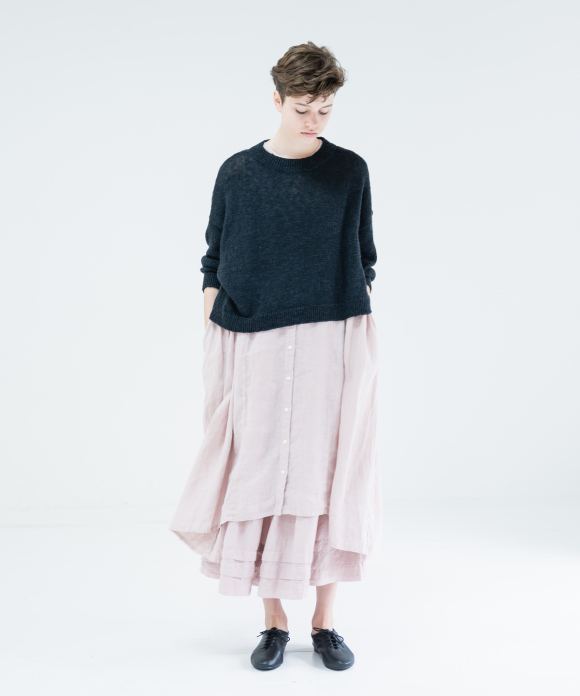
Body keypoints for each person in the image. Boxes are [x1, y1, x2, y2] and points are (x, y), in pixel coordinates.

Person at [169, 41, 382, 672]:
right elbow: (214, 253)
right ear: (277, 100)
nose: (313, 120)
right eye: (302, 108)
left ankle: (325, 623)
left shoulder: (350, 170)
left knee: (328, 468)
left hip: (331, 332)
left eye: (325, 109)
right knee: (258, 468)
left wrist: (353, 311)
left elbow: (365, 252)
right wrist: (213, 310)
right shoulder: (239, 172)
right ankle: (273, 623)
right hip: (252, 334)